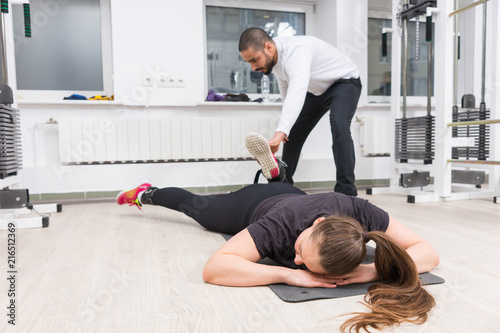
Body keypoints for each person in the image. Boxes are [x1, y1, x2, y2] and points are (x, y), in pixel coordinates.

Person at [116, 133, 439, 332]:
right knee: (199, 208)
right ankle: (149, 192)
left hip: (295, 196)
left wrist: (371, 270)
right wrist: (289, 277)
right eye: (300, 252)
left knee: (288, 192)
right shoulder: (279, 228)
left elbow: (429, 252)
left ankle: (278, 176)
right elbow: (214, 268)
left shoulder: (359, 211)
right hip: (254, 205)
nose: (295, 260)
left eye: (303, 263)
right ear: (316, 225)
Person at [239, 27, 362, 196]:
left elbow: (297, 91)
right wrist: (285, 130)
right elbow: (287, 93)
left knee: (339, 125)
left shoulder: (297, 52)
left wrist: (278, 133)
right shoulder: (275, 62)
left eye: (254, 60)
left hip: (344, 82)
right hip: (317, 91)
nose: (253, 67)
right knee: (292, 133)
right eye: (249, 63)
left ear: (268, 47)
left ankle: (347, 192)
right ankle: (282, 187)